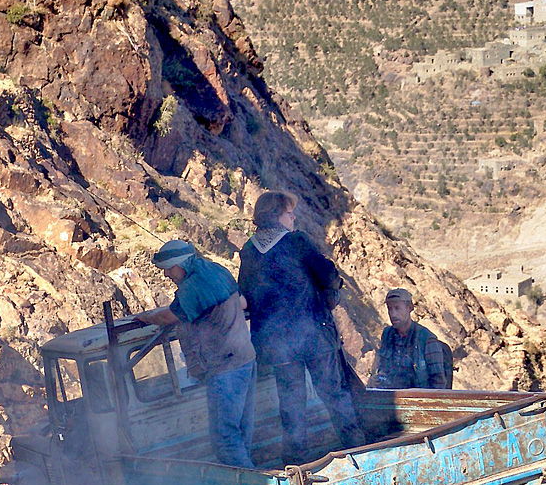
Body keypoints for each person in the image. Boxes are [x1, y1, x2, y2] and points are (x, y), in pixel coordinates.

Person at [238, 191, 365, 465]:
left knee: (291, 404)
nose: (293, 216)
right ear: (276, 216)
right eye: (288, 212)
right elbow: (328, 276)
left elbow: (246, 294)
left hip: (277, 345)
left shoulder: (249, 251)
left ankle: (295, 462)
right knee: (334, 393)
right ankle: (358, 451)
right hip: (313, 335)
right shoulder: (296, 242)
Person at [136, 240, 257, 468]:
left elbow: (167, 318)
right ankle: (246, 479)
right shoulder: (218, 270)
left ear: (181, 264)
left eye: (169, 269)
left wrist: (147, 318)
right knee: (241, 431)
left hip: (225, 368)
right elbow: (241, 303)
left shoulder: (193, 287)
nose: (167, 275)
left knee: (225, 439)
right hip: (246, 359)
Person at [373, 288, 448, 389]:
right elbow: (381, 367)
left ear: (409, 308)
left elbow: (439, 384)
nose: (393, 314)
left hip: (417, 400)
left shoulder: (426, 339)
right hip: (390, 397)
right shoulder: (387, 335)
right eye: (390, 309)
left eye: (397, 308)